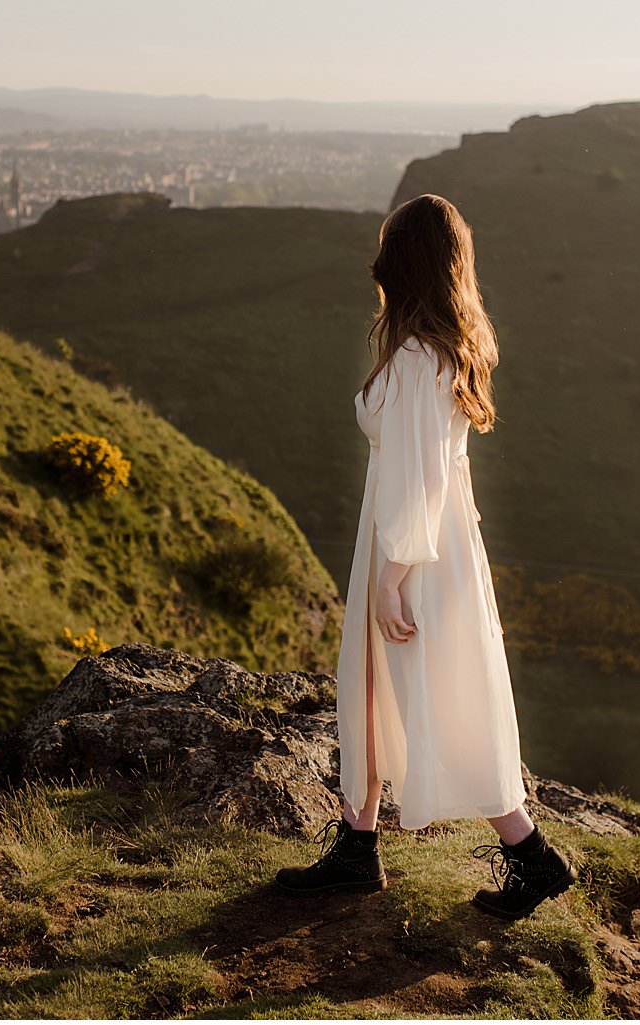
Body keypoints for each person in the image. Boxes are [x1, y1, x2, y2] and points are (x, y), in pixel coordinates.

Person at [272, 193, 577, 920]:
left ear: (402, 264)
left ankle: (530, 856)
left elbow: (419, 479)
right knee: (393, 693)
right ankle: (358, 843)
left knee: (436, 696)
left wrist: (391, 579)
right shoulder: (447, 349)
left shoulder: (413, 360)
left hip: (412, 555)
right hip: (437, 550)